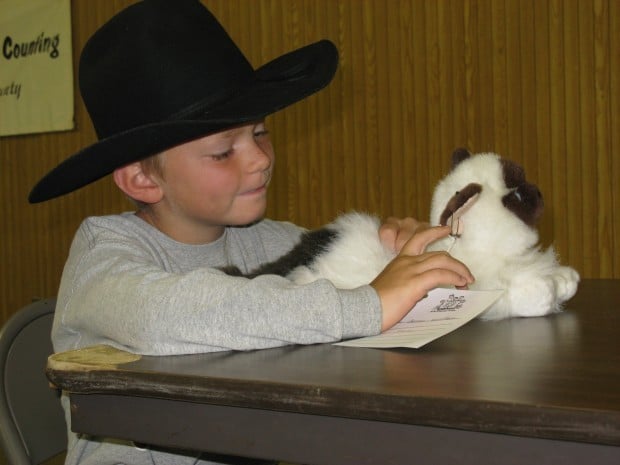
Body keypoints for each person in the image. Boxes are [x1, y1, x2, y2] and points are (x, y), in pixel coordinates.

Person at [29, 0, 474, 463]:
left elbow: (347, 277)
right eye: (224, 152)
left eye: (260, 132)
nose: (260, 158)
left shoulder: (269, 240)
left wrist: (386, 255)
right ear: (143, 179)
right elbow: (161, 316)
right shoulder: (103, 259)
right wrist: (368, 304)